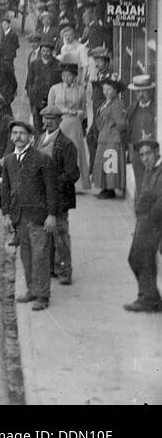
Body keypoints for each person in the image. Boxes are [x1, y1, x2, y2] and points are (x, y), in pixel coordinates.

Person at [1, 119, 59, 311]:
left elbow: (52, 190)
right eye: (15, 133)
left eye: (22, 133)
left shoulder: (42, 159)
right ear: (11, 137)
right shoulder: (9, 160)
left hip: (39, 218)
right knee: (26, 256)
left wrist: (52, 215)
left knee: (40, 256)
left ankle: (42, 296)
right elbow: (5, 189)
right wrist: (7, 214)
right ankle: (32, 290)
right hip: (19, 218)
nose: (18, 137)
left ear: (31, 137)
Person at [36, 104, 79, 286]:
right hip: (42, 196)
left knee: (61, 235)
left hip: (60, 197)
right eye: (46, 119)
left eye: (53, 120)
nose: (48, 122)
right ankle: (53, 267)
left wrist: (53, 183)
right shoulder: (39, 139)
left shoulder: (66, 144)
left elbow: (73, 173)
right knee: (47, 234)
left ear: (60, 122)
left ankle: (65, 271)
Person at [124, 136, 162, 313]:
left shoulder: (160, 172)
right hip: (144, 223)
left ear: (157, 153)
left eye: (148, 154)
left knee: (141, 258)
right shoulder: (149, 170)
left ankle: (147, 299)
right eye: (142, 155)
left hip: (154, 224)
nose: (145, 158)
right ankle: (151, 297)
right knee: (136, 258)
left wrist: (147, 222)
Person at [46, 59, 92, 194]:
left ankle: (74, 185)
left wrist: (79, 113)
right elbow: (50, 108)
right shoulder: (54, 89)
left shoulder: (81, 90)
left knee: (74, 153)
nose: (67, 78)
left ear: (75, 76)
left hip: (74, 125)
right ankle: (56, 182)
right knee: (58, 151)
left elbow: (83, 110)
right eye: (64, 75)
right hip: (59, 124)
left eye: (70, 75)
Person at [91, 77, 127, 199]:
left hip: (112, 139)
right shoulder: (106, 103)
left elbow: (121, 123)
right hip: (104, 137)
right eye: (104, 89)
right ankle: (105, 188)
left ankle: (109, 189)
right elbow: (100, 121)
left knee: (109, 165)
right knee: (103, 163)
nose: (106, 92)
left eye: (109, 89)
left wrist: (114, 131)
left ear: (116, 91)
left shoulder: (117, 103)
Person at [126, 76, 157, 195]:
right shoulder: (132, 108)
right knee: (139, 181)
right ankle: (141, 207)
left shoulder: (156, 108)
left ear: (150, 91)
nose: (141, 94)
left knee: (153, 181)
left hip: (152, 151)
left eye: (144, 91)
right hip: (136, 151)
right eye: (138, 91)